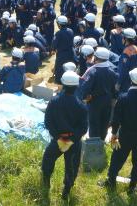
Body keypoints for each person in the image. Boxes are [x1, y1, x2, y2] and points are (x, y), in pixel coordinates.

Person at [98, 68, 137, 194]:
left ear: (131, 80)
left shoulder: (123, 97)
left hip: (125, 133)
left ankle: (111, 181)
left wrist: (114, 133)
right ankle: (133, 186)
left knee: (117, 157)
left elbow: (116, 119)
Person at [42, 71, 88, 200]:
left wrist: (58, 137)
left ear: (62, 84)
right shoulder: (81, 105)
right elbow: (83, 128)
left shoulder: (54, 101)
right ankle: (66, 191)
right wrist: (71, 139)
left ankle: (46, 182)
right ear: (76, 86)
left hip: (58, 139)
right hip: (74, 141)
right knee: (72, 166)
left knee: (48, 160)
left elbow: (48, 122)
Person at [80, 47, 118, 140]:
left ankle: (94, 145)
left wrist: (85, 97)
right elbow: (115, 90)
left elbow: (84, 89)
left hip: (94, 102)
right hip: (107, 101)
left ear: (96, 58)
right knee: (104, 123)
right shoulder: (112, 71)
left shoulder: (92, 71)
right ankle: (101, 141)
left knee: (94, 124)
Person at [117, 28, 137, 93]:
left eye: (123, 37)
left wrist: (118, 83)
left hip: (125, 81)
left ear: (126, 39)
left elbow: (123, 70)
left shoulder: (126, 52)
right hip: (134, 79)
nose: (122, 39)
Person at [52, 16, 74, 84]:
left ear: (59, 24)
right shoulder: (71, 31)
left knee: (59, 70)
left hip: (61, 54)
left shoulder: (58, 33)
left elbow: (54, 44)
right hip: (70, 53)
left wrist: (53, 49)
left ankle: (58, 83)